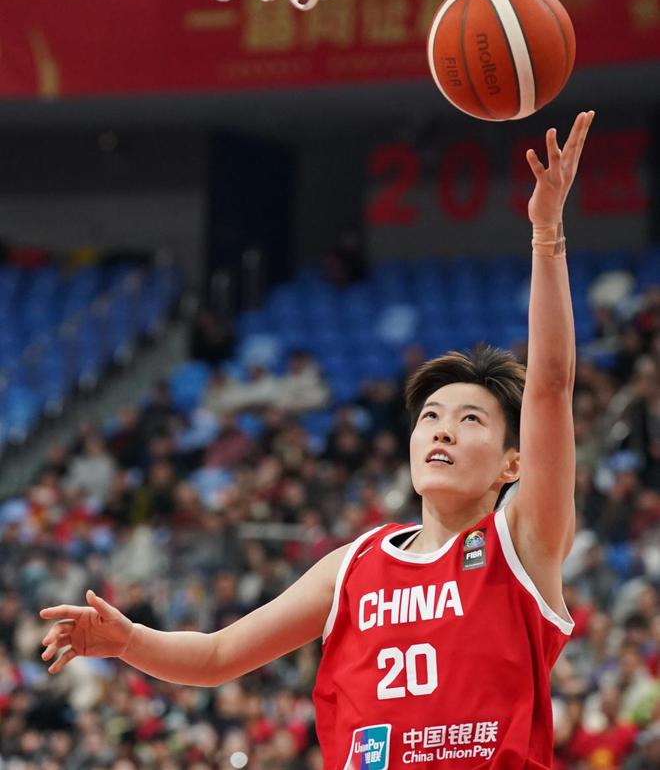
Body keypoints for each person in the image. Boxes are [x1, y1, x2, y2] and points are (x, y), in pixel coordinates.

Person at [40, 112, 595, 770]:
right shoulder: (353, 566)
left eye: (471, 419)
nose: (443, 428)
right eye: (430, 416)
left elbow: (551, 385)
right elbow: (218, 656)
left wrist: (546, 234)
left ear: (512, 462)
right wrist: (131, 641)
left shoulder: (522, 542)